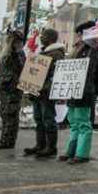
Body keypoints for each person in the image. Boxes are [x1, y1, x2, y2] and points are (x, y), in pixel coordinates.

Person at [58, 22, 98, 163]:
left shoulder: (91, 49)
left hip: (84, 91)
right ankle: (71, 151)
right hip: (73, 89)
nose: (77, 36)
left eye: (79, 34)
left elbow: (89, 69)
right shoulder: (78, 49)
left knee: (83, 122)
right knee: (74, 122)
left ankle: (82, 154)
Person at [23, 28, 65, 159]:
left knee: (48, 119)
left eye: (44, 36)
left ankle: (51, 147)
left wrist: (45, 86)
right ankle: (40, 145)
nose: (41, 38)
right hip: (37, 91)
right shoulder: (44, 52)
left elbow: (55, 74)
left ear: (51, 38)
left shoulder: (57, 54)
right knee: (38, 118)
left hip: (46, 91)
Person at [0, 31, 26, 149]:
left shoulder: (18, 53)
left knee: (10, 114)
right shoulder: (8, 53)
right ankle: (5, 139)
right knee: (5, 114)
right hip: (5, 87)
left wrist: (13, 51)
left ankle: (7, 140)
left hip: (12, 88)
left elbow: (19, 68)